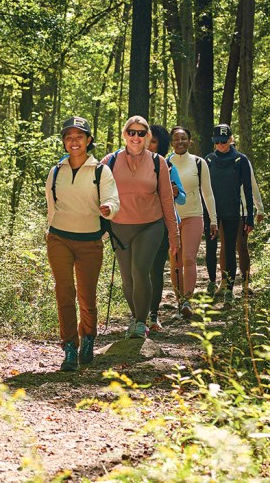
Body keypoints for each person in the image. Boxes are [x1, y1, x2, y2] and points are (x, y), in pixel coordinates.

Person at [45, 116, 120, 371]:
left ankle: (88, 337)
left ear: (89, 140)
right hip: (59, 238)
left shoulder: (101, 170)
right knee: (64, 291)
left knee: (86, 296)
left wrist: (108, 208)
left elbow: (113, 199)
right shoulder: (56, 171)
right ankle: (69, 347)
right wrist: (50, 231)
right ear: (64, 142)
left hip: (90, 241)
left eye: (79, 137)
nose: (74, 141)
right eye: (69, 137)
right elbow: (51, 206)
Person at [102, 116, 179, 339]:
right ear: (125, 135)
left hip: (151, 225)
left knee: (140, 269)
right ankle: (138, 317)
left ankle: (139, 322)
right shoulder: (110, 161)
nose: (136, 137)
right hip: (120, 226)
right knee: (127, 278)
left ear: (148, 137)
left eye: (141, 133)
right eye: (132, 132)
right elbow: (96, 190)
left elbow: (166, 200)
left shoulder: (158, 162)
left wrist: (174, 235)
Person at [167, 126, 217, 319]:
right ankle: (179, 300)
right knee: (175, 260)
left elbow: (208, 192)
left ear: (190, 141)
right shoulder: (164, 163)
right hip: (171, 218)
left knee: (188, 258)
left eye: (184, 138)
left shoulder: (199, 163)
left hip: (194, 216)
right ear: (171, 142)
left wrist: (213, 219)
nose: (180, 142)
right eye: (177, 139)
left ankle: (187, 301)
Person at [204, 124, 254, 305]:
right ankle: (216, 283)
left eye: (223, 141)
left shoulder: (240, 160)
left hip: (233, 211)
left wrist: (250, 216)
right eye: (216, 141)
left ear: (231, 139)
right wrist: (206, 214)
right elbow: (204, 188)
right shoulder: (208, 160)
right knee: (216, 248)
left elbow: (248, 189)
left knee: (231, 248)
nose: (220, 145)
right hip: (213, 212)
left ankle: (230, 290)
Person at [145, 124, 186, 332]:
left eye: (153, 141)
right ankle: (138, 315)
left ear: (160, 144)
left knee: (156, 270)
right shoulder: (131, 164)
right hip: (137, 224)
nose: (148, 144)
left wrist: (176, 192)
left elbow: (183, 198)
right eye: (146, 139)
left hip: (162, 223)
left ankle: (152, 316)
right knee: (138, 271)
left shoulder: (169, 167)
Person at [216, 158, 264, 297]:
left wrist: (259, 208)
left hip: (242, 211)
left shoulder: (243, 161)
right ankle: (224, 282)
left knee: (242, 245)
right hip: (224, 211)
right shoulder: (216, 161)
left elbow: (252, 184)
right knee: (225, 246)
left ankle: (246, 283)